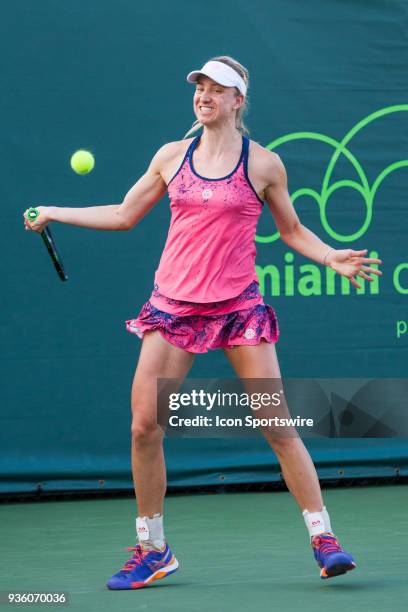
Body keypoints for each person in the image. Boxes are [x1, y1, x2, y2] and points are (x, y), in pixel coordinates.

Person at [24, 55, 382, 589]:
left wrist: (328, 255)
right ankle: (153, 550)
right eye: (201, 87)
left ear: (239, 101)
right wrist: (56, 211)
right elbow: (124, 215)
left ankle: (324, 538)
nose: (205, 95)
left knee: (276, 426)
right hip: (172, 309)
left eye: (219, 89)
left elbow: (292, 229)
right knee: (145, 427)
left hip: (238, 309)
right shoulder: (172, 157)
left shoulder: (264, 165)